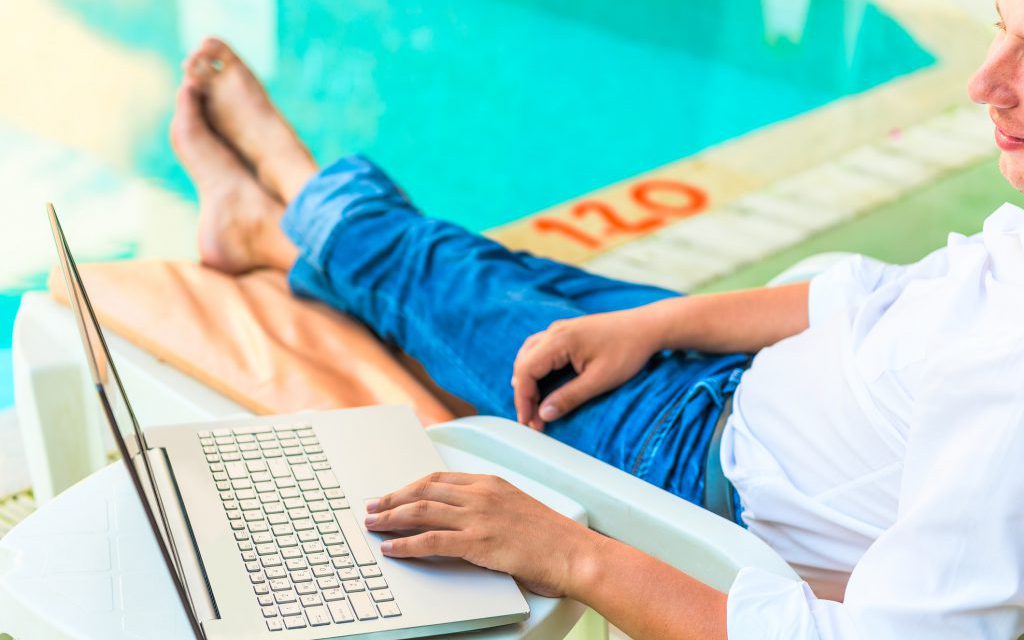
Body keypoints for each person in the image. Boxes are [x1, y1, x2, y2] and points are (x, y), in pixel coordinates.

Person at [169, 2, 1024, 635]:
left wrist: (569, 554)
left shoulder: (1010, 386)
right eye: (999, 25)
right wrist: (659, 325)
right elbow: (875, 294)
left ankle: (284, 177)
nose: (983, 82)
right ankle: (261, 231)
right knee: (492, 275)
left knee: (439, 276)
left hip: (697, 461)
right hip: (744, 370)